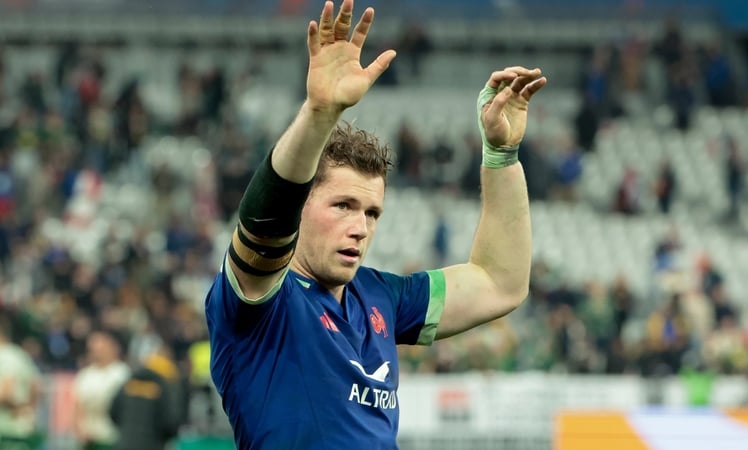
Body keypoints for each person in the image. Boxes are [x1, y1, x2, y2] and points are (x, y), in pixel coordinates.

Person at [204, 0, 547, 448]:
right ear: (300, 205)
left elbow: (501, 282)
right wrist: (319, 114)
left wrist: (501, 156)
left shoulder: (381, 297)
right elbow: (264, 221)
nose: (360, 226)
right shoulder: (259, 301)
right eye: (342, 205)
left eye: (371, 213)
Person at [109, 341, 185, 450]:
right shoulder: (167, 385)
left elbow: (112, 412)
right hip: (152, 445)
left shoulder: (130, 381)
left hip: (125, 444)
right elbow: (172, 421)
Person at [73, 330, 130, 450]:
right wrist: (79, 429)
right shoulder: (85, 375)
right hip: (89, 437)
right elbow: (77, 406)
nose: (97, 352)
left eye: (101, 347)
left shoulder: (122, 373)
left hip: (112, 437)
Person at [0, 315, 43, 450]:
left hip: (8, 430)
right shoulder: (19, 355)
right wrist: (28, 408)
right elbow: (36, 387)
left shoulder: (5, 356)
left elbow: (5, 392)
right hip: (21, 427)